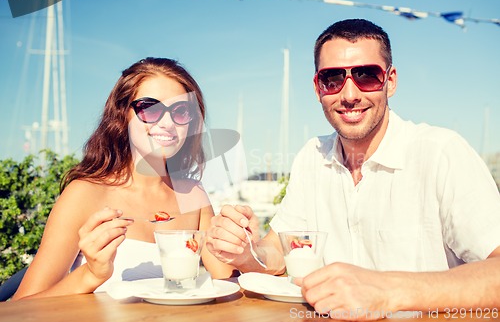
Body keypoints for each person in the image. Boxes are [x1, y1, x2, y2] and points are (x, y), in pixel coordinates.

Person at [206, 19, 500, 318]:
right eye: (332, 79)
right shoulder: (312, 157)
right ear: (318, 87)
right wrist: (246, 252)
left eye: (366, 76)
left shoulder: (440, 153)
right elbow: (280, 254)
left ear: (391, 80)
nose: (349, 95)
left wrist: (388, 291)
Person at [13, 57, 234, 300]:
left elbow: (226, 283)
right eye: (150, 108)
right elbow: (22, 306)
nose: (168, 122)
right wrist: (91, 274)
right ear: (122, 114)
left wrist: (239, 247)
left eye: (181, 111)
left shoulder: (192, 193)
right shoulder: (85, 194)